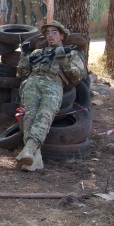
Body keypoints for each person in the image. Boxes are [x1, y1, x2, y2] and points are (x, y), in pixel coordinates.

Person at [15, 20, 86, 172]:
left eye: (54, 32)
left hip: (54, 83)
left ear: (62, 36)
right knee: (29, 117)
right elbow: (23, 73)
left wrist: (63, 61)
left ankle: (28, 151)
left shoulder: (71, 53)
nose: (50, 36)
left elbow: (77, 76)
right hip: (33, 82)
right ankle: (35, 158)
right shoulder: (38, 53)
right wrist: (24, 56)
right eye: (47, 33)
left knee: (45, 115)